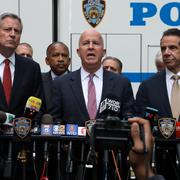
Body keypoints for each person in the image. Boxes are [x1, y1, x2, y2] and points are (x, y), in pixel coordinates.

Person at [50, 29, 134, 180]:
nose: (90, 47)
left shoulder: (122, 83)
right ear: (78, 51)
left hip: (110, 163)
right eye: (85, 43)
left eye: (95, 43)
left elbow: (129, 119)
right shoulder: (61, 84)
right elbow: (55, 120)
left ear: (103, 51)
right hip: (73, 162)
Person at [0, 12, 44, 179]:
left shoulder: (31, 67)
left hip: (20, 150)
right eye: (7, 29)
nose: (12, 34)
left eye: (17, 31)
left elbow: (38, 104)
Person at [135, 28, 180, 180]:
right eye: (163, 48)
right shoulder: (148, 86)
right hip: (160, 164)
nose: (166, 53)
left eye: (172, 48)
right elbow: (141, 123)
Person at [42, 41, 71, 112]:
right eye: (55, 55)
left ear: (69, 61)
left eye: (64, 55)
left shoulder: (78, 81)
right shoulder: (39, 81)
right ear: (47, 61)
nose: (60, 59)